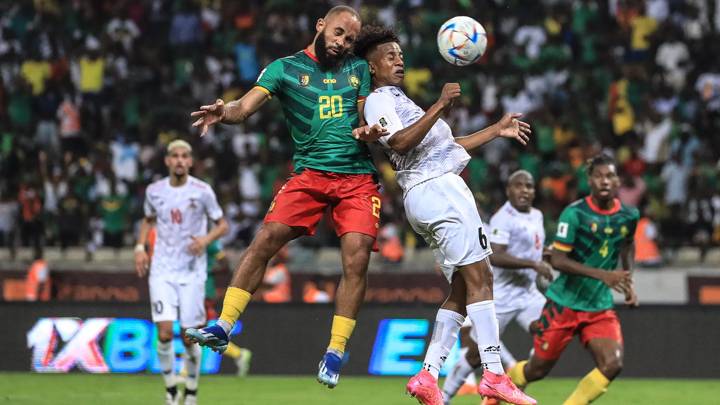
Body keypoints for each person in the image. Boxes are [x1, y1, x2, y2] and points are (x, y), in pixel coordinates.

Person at [185, 6, 387, 389]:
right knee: (264, 241)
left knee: (356, 259)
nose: (343, 42)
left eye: (349, 38)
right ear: (320, 26)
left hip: (356, 178)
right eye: (339, 32)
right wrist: (222, 111)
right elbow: (243, 108)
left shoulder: (358, 69)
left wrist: (369, 130)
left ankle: (335, 352)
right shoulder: (284, 68)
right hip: (309, 175)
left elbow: (364, 115)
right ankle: (224, 326)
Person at [354, 26, 535, 405]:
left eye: (401, 54)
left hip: (433, 190)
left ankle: (428, 374)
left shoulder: (398, 100)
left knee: (464, 288)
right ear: (371, 67)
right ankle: (494, 375)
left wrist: (496, 130)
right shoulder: (377, 101)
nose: (399, 60)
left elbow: (447, 147)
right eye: (390, 56)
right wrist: (439, 105)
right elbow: (400, 142)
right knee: (482, 276)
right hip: (438, 192)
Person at [507, 153, 639, 405]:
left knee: (612, 364)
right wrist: (604, 275)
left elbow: (627, 245)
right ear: (589, 180)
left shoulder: (629, 216)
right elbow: (558, 260)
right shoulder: (575, 214)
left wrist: (627, 280)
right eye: (598, 176)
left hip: (599, 306)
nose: (604, 181)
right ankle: (495, 395)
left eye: (610, 175)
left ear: (618, 181)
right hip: (563, 304)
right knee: (536, 370)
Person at [441, 170, 553, 405]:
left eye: (529, 186)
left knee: (550, 332)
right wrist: (534, 263)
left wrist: (544, 254)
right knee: (474, 354)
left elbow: (529, 248)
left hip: (528, 293)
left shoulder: (538, 215)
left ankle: (514, 380)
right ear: (508, 191)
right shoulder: (504, 218)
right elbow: (497, 256)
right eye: (518, 186)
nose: (524, 190)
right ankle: (444, 397)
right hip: (501, 294)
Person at [134, 140, 229, 405]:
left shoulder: (202, 191)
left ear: (190, 161)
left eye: (184, 156)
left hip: (192, 273)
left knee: (190, 336)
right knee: (164, 333)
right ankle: (171, 389)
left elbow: (222, 225)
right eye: (174, 155)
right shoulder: (154, 191)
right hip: (162, 269)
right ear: (167, 160)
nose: (179, 160)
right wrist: (140, 247)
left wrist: (205, 241)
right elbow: (149, 220)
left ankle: (192, 389)